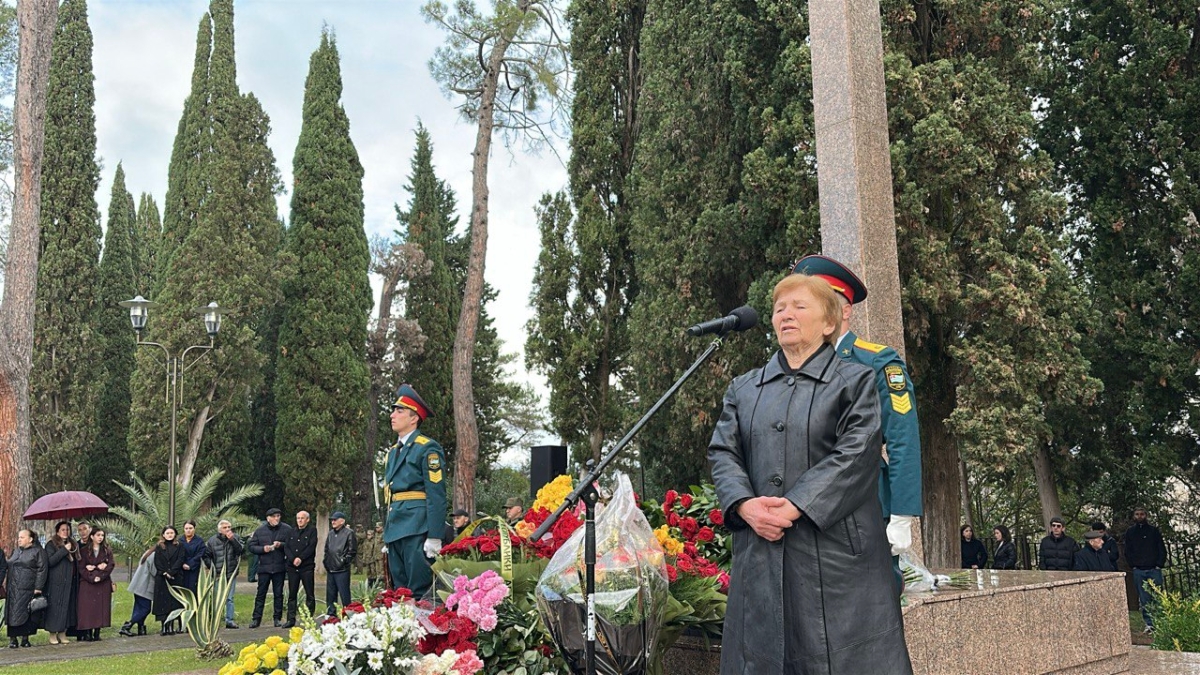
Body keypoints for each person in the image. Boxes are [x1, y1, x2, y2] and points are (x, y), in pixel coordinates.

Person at [708, 273, 913, 674]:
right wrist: (745, 505)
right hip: (761, 552)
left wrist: (796, 505)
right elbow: (723, 452)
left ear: (829, 322)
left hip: (839, 563)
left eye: (800, 306)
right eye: (780, 308)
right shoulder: (745, 388)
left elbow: (858, 451)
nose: (787, 314)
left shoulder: (856, 380)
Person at [793, 255, 922, 585]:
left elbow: (902, 437)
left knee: (872, 618)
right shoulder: (792, 369)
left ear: (844, 311)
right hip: (802, 512)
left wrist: (903, 515)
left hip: (863, 508)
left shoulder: (876, 361)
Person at [382, 383, 447, 598]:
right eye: (393, 410)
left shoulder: (427, 448)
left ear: (414, 418)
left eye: (399, 411)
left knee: (419, 593)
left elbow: (436, 495)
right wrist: (387, 534)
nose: (393, 415)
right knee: (400, 593)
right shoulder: (392, 452)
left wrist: (435, 536)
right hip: (396, 527)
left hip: (417, 526)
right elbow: (390, 496)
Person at [1125, 507, 1168, 633]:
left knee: (1158, 597)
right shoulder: (1130, 532)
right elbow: (1128, 550)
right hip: (1139, 570)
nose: (1139, 516)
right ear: (1134, 516)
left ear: (1146, 515)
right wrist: (1133, 565)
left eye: (1142, 514)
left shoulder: (1153, 531)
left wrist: (1159, 564)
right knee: (1144, 599)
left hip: (1154, 569)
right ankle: (1149, 624)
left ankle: (1160, 621)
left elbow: (1161, 548)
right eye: (1137, 514)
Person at [247, 507, 292, 628]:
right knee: (260, 594)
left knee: (278, 594)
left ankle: (277, 618)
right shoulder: (260, 530)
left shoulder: (287, 529)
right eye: (274, 516)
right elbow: (251, 546)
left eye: (278, 516)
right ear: (268, 518)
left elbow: (292, 545)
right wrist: (263, 549)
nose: (277, 518)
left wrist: (281, 545)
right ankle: (256, 619)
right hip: (264, 568)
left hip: (279, 567)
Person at [5, 529, 47, 649]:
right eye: (19, 537)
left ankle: (25, 638)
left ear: (30, 539)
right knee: (12, 614)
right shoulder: (16, 551)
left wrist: (38, 587)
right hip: (13, 588)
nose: (19, 539)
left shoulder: (38, 551)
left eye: (22, 537)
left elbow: (42, 570)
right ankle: (13, 639)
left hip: (28, 588)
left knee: (25, 613)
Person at [204, 519, 244, 629]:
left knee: (229, 598)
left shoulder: (235, 538)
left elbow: (240, 551)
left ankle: (229, 620)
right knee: (218, 598)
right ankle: (216, 621)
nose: (227, 529)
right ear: (219, 529)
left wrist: (232, 540)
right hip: (217, 574)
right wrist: (212, 568)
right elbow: (206, 556)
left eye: (229, 527)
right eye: (225, 527)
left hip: (231, 573)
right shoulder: (212, 541)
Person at [76, 527, 114, 641]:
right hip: (87, 582)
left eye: (102, 535)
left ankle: (97, 632)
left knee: (100, 608)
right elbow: (81, 567)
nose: (100, 538)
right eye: (98, 535)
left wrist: (101, 576)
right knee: (87, 608)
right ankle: (88, 632)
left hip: (103, 582)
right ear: (92, 536)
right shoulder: (84, 551)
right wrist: (91, 577)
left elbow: (110, 565)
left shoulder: (107, 550)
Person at [43, 521, 78, 644]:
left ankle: (63, 632)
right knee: (55, 607)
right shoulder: (51, 544)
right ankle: (53, 633)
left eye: (67, 530)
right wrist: (64, 550)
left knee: (67, 607)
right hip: (56, 582)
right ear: (58, 531)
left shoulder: (73, 544)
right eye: (63, 530)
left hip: (69, 582)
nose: (65, 532)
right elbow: (51, 561)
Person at [282, 510, 316, 628]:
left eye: (302, 518)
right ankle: (290, 619)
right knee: (292, 594)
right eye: (298, 518)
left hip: (306, 567)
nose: (300, 520)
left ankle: (308, 619)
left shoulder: (312, 531)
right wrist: (292, 559)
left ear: (307, 520)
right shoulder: (291, 532)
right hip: (292, 567)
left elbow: (311, 547)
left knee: (309, 594)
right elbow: (287, 547)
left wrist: (301, 558)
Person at [153, 525, 185, 635]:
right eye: (167, 533)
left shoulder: (180, 546)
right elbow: (157, 562)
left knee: (173, 603)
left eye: (171, 533)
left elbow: (180, 559)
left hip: (175, 578)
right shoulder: (159, 546)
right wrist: (164, 573)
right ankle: (164, 626)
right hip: (162, 578)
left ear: (175, 534)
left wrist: (171, 572)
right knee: (162, 604)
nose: (170, 535)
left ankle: (171, 626)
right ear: (163, 535)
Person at [324, 511, 357, 615]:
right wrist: (326, 562)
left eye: (335, 519)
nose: (333, 522)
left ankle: (348, 615)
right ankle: (331, 615)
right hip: (331, 568)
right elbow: (327, 549)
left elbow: (352, 551)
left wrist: (344, 561)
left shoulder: (349, 533)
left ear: (342, 521)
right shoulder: (330, 533)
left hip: (342, 569)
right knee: (330, 595)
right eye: (332, 520)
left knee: (344, 594)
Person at [119, 547, 156, 637]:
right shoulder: (154, 555)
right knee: (145, 609)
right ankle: (127, 626)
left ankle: (141, 628)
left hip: (138, 585)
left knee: (139, 608)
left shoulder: (148, 553)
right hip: (144, 586)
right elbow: (154, 571)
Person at [179, 520, 205, 594]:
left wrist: (190, 564)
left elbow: (201, 554)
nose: (188, 530)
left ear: (194, 529)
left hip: (194, 569)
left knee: (193, 590)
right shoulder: (180, 541)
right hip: (181, 570)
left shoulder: (199, 541)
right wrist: (182, 564)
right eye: (186, 528)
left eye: (190, 528)